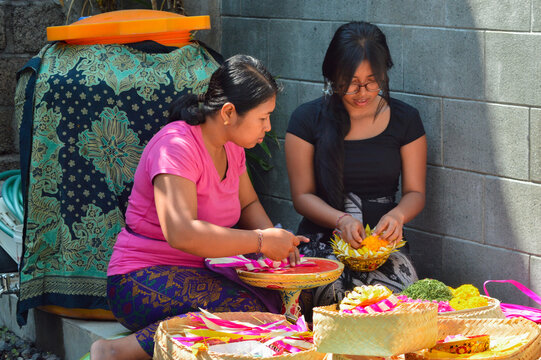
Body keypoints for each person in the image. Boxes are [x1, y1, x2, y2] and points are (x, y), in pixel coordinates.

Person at [91, 54, 308, 360]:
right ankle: (116, 351)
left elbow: (248, 204)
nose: (268, 127)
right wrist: (261, 241)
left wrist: (274, 240)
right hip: (139, 277)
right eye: (263, 117)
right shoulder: (176, 146)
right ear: (229, 112)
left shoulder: (232, 146)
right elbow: (180, 232)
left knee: (281, 305)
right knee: (248, 313)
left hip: (199, 271)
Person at [285, 21, 427, 308]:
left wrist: (398, 216)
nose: (362, 92)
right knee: (330, 300)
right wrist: (342, 220)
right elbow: (302, 196)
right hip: (321, 239)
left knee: (394, 304)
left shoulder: (406, 119)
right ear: (333, 77)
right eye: (350, 83)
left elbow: (415, 193)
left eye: (372, 82)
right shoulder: (306, 119)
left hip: (382, 246)